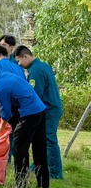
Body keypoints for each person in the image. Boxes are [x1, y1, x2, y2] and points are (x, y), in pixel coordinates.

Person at [0, 68, 49, 188]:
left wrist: (0, 127)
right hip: (40, 110)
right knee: (39, 148)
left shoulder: (0, 89)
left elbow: (6, 112)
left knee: (19, 148)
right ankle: (43, 185)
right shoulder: (3, 76)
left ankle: (21, 184)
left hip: (29, 114)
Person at [14, 45, 64, 179]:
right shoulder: (43, 65)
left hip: (49, 108)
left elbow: (35, 95)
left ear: (26, 56)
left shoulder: (35, 71)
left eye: (19, 60)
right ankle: (37, 166)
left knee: (49, 139)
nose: (19, 64)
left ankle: (55, 172)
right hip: (52, 106)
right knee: (40, 139)